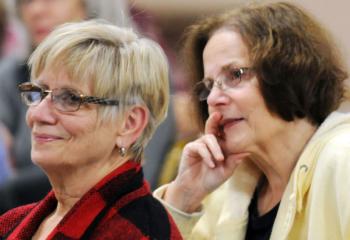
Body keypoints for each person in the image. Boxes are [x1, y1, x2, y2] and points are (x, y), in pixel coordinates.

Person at [154, 2, 350, 239]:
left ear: (288, 71)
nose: (213, 98)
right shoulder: (225, 190)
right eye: (208, 86)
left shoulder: (343, 159)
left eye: (235, 75)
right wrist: (183, 197)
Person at [0, 20, 182, 240]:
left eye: (69, 99)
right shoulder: (11, 222)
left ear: (129, 123)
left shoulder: (137, 231)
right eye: (38, 92)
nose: (37, 114)